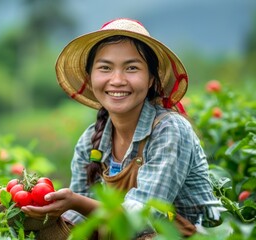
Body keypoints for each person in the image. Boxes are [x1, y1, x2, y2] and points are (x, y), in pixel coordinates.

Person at [21, 18, 220, 239]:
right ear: (90, 77)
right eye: (105, 68)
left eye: (131, 68)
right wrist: (36, 214)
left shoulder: (170, 130)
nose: (117, 80)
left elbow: (142, 219)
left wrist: (76, 202)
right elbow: (78, 223)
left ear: (151, 79)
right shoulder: (90, 141)